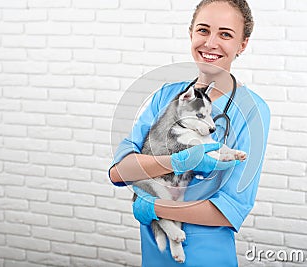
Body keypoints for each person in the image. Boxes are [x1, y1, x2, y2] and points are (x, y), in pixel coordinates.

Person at [108, 0, 270, 266]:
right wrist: (175, 162)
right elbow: (120, 171)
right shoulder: (166, 96)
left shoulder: (252, 111)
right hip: (155, 254)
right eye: (203, 30)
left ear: (242, 44)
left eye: (225, 34)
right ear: (191, 33)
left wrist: (154, 207)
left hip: (207, 256)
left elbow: (230, 210)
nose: (210, 43)